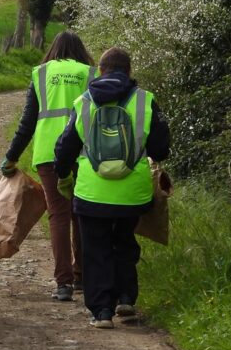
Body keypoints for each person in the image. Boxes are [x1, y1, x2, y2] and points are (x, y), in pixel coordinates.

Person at [53, 46, 170, 329]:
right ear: (129, 71)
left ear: (100, 71)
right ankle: (126, 298)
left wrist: (64, 176)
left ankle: (102, 311)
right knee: (125, 242)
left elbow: (65, 148)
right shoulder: (145, 100)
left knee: (95, 249)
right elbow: (160, 149)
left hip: (91, 193)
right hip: (133, 193)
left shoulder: (83, 102)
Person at [1, 31, 95, 302]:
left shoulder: (41, 74)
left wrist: (11, 157)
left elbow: (27, 122)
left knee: (58, 214)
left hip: (48, 153)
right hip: (83, 152)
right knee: (80, 213)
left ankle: (63, 283)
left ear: (53, 49)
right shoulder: (90, 74)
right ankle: (81, 276)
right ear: (81, 50)